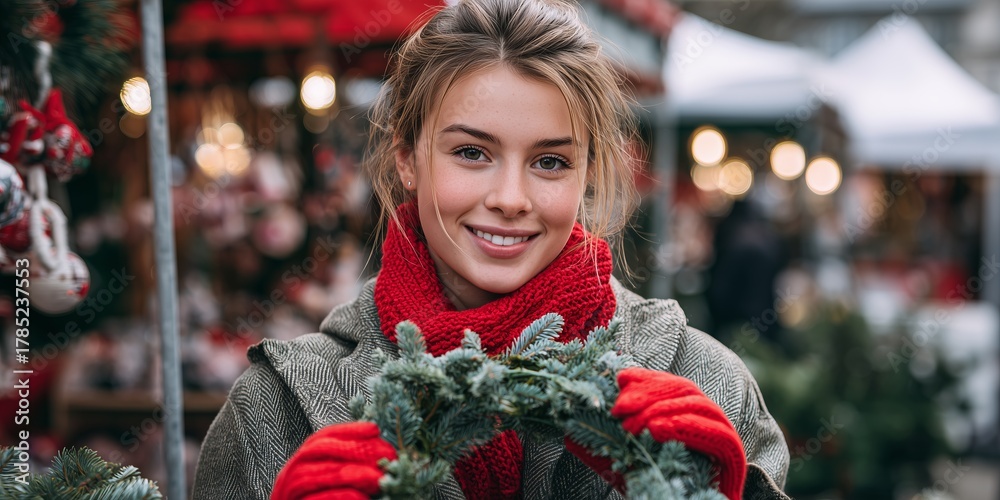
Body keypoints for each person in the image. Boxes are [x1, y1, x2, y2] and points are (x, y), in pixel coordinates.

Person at [192, 0, 790, 498]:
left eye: (550, 161)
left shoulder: (701, 383)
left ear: (586, 174)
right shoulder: (279, 407)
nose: (510, 198)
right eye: (472, 153)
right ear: (407, 158)